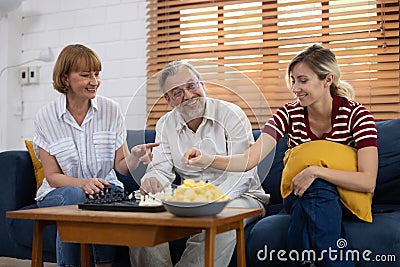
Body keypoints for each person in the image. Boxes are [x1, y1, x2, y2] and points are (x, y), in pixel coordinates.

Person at [184, 44, 378, 267]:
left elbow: (367, 181)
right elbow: (251, 158)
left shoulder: (357, 115)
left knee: (316, 191)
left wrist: (314, 171)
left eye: (303, 80)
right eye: (293, 81)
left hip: (346, 197)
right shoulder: (288, 113)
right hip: (298, 192)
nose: (295, 88)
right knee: (314, 194)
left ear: (328, 79)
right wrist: (207, 159)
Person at [129, 60, 269, 267]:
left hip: (242, 196)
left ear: (202, 84)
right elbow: (161, 168)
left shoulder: (232, 114)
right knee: (138, 212)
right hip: (192, 198)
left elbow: (243, 174)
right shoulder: (165, 124)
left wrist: (208, 202)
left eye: (191, 85)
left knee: (221, 222)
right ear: (169, 100)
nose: (188, 95)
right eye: (177, 92)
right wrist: (152, 180)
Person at [33, 44, 158, 267]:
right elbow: (52, 176)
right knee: (74, 196)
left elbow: (120, 167)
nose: (94, 81)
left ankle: (104, 264)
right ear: (65, 79)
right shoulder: (46, 117)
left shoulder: (111, 111)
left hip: (102, 190)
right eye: (85, 75)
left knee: (104, 195)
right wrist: (83, 184)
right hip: (59, 193)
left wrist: (136, 156)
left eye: (97, 74)